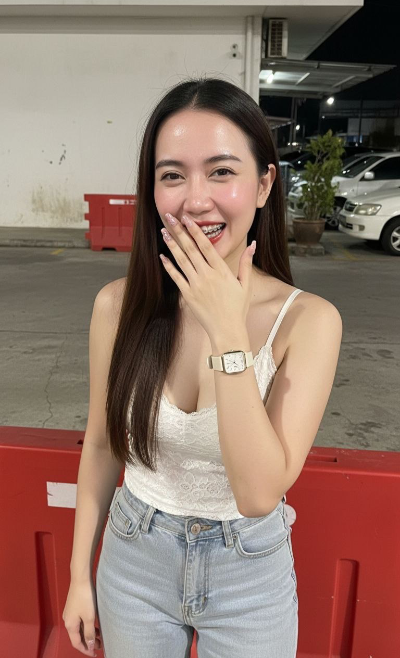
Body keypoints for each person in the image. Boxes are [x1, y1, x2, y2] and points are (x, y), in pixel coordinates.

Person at [62, 76, 342, 658]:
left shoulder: (308, 321)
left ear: (264, 185)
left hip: (249, 572)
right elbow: (102, 445)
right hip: (133, 556)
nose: (194, 200)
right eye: (172, 175)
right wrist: (77, 576)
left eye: (221, 172)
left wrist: (227, 331)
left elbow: (258, 493)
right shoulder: (116, 307)